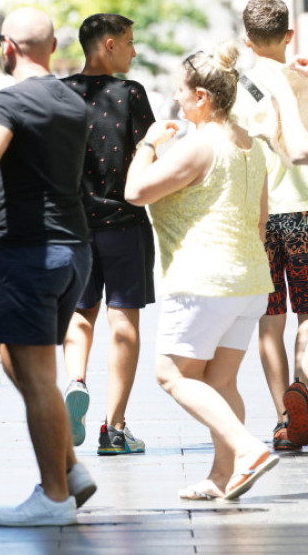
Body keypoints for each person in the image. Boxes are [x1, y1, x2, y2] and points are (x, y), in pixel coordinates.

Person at [0, 7, 95, 527]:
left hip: (30, 254)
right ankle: (73, 468)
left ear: (8, 48)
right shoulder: (72, 101)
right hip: (72, 250)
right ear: (54, 46)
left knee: (37, 377)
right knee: (20, 360)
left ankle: (54, 497)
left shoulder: (8, 100)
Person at [125, 43, 278, 501]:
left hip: (203, 281)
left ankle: (249, 450)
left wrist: (150, 142)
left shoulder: (198, 147)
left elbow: (135, 190)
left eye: (180, 93)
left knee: (172, 375)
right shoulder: (248, 144)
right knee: (221, 381)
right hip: (249, 279)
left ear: (202, 99)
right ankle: (221, 476)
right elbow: (260, 217)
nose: (176, 101)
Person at [60, 13, 155, 455]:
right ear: (110, 45)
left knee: (80, 315)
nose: (135, 51)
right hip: (124, 224)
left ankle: (75, 380)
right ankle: (114, 429)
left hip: (74, 228)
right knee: (124, 321)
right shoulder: (130, 95)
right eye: (131, 42)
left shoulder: (59, 93)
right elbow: (145, 159)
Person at [232, 0, 308, 451]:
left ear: (246, 38)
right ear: (289, 34)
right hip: (303, 209)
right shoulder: (300, 79)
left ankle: (284, 419)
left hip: (255, 218)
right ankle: (304, 391)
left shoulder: (232, 87)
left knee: (270, 320)